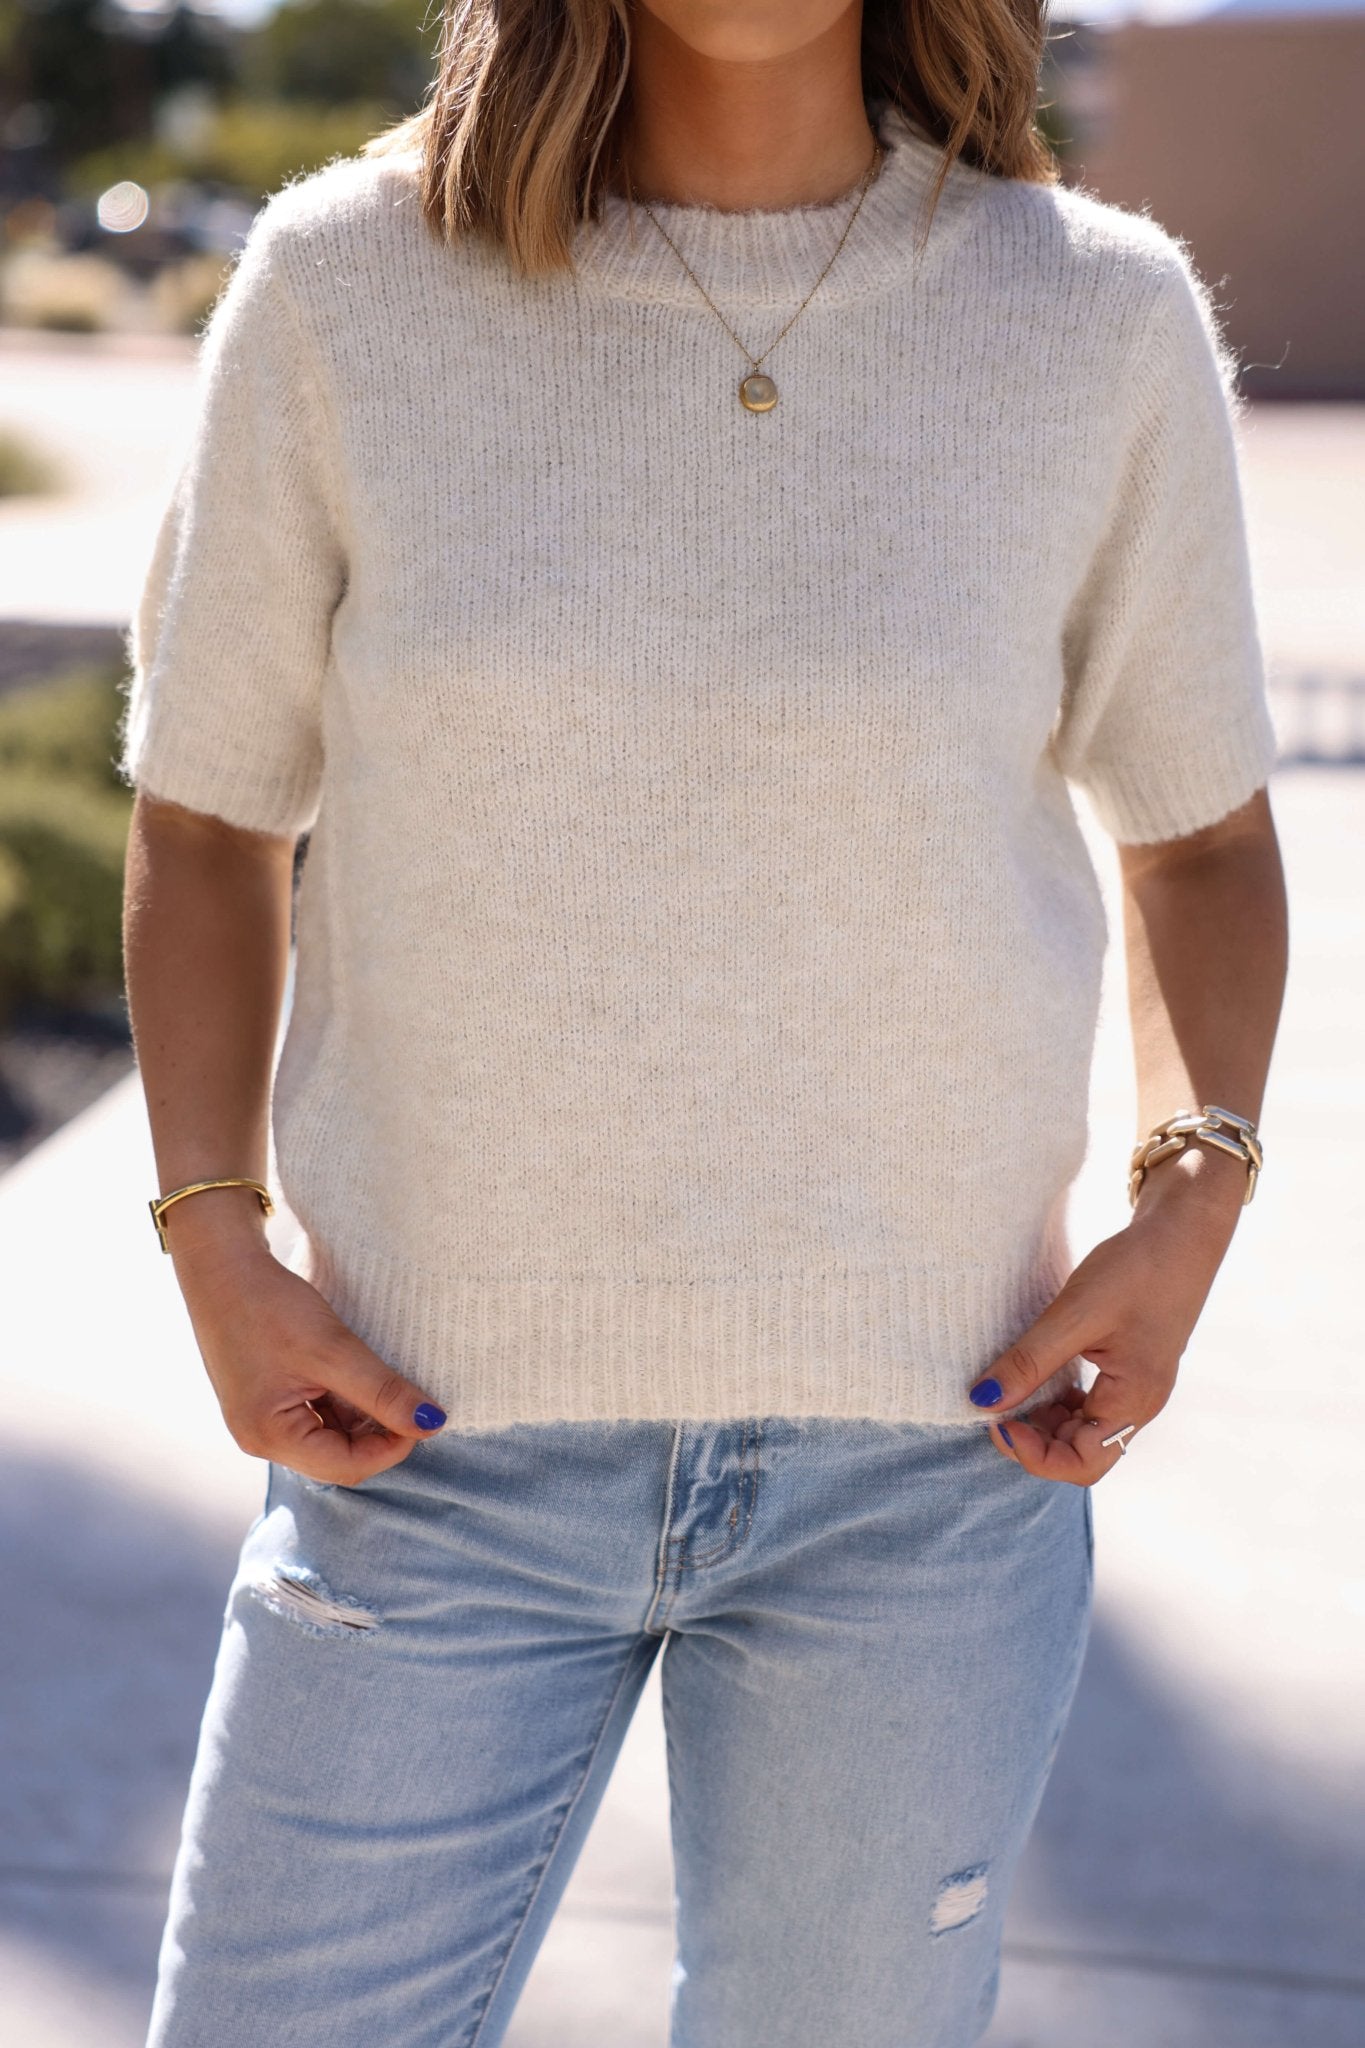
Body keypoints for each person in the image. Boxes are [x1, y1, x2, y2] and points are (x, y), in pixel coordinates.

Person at [117, 0, 1289, 2042]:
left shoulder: (1089, 320)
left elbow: (1196, 838)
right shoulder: (340, 291)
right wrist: (212, 1224)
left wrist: (1185, 1202)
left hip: (928, 1469)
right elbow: (208, 817)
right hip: (426, 1447)